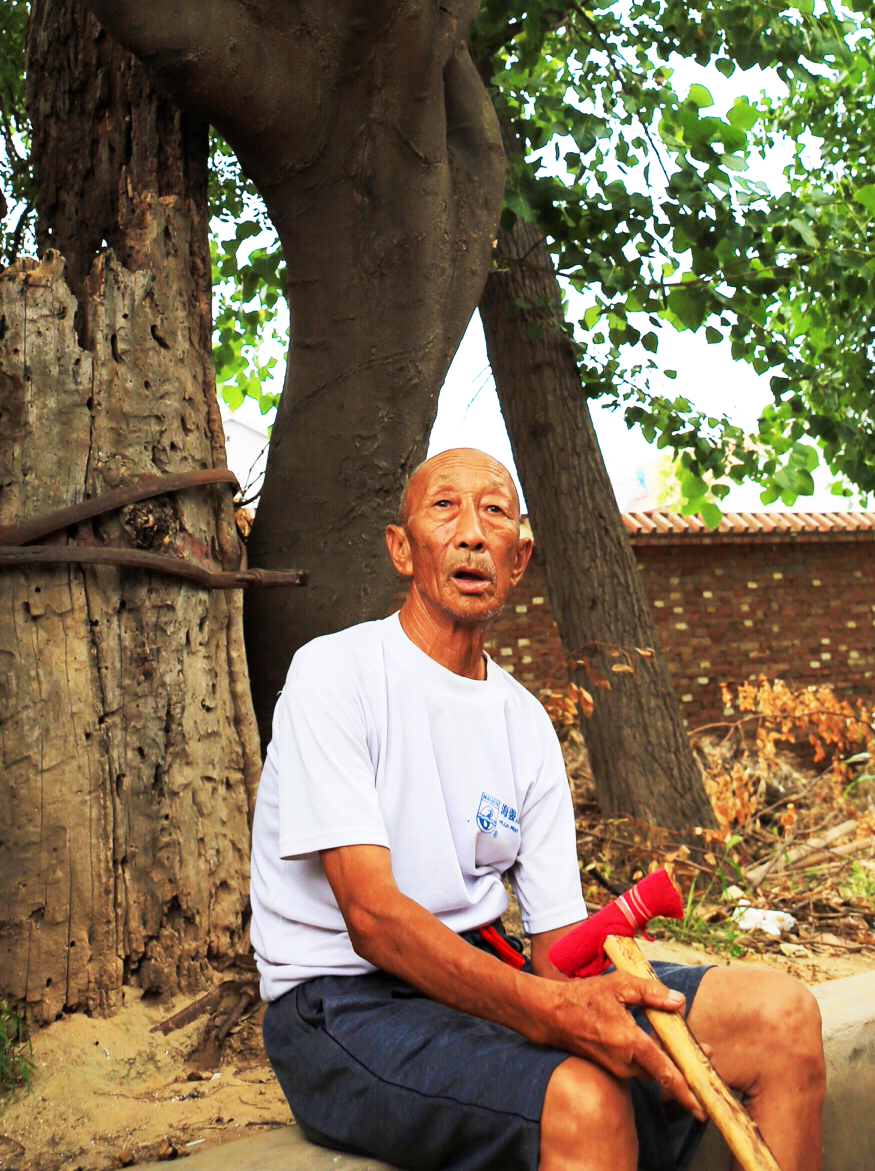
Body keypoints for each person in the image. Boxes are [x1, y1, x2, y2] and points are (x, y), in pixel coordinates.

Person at [250, 445, 825, 1171]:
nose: (470, 533)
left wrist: (608, 1003)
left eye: (494, 512)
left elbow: (558, 953)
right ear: (402, 549)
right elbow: (371, 920)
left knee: (782, 1017)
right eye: (444, 508)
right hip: (343, 1008)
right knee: (587, 1100)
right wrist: (552, 1015)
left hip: (486, 982)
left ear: (516, 560)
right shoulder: (336, 675)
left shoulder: (523, 722)